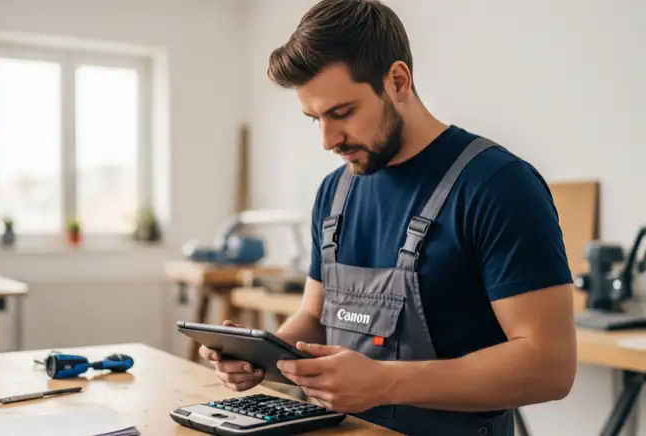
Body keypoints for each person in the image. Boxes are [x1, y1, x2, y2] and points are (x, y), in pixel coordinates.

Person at [198, 0, 578, 434]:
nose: (328, 139)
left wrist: (385, 382)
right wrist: (265, 356)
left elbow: (551, 366)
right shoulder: (334, 193)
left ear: (398, 81)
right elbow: (314, 318)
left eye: (342, 113)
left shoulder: (497, 186)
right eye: (315, 118)